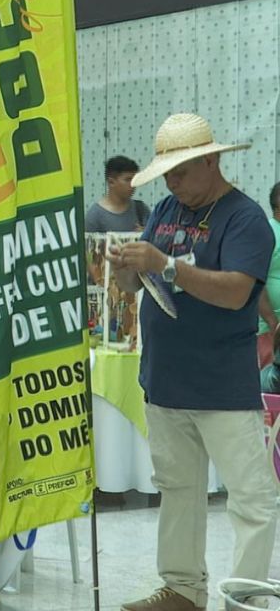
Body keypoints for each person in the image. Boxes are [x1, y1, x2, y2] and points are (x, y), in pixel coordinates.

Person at [109, 113, 276, 611]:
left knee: (250, 499)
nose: (173, 182)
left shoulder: (244, 218)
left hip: (222, 384)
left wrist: (166, 265)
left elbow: (236, 292)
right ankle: (182, 588)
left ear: (211, 160)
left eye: (181, 171)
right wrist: (127, 271)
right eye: (167, 174)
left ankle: (244, 599)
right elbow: (139, 286)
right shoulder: (164, 209)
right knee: (178, 489)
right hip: (165, 378)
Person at [87, 155, 151, 234]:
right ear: (111, 182)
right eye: (128, 180)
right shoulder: (95, 215)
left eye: (135, 179)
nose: (133, 184)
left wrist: (147, 235)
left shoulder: (141, 210)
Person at [259, 182, 280, 388]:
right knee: (270, 390)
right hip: (270, 330)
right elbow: (256, 283)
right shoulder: (266, 233)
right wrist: (273, 324)